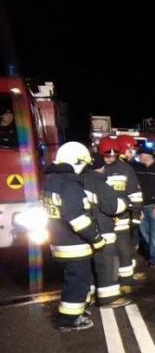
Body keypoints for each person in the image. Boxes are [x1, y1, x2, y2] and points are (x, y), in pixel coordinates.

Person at [42, 142, 106, 331]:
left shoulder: (51, 181)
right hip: (73, 245)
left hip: (58, 241)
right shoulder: (70, 185)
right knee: (78, 282)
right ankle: (69, 320)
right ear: (77, 161)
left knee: (72, 280)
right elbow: (77, 219)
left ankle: (74, 312)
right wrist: (96, 238)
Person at [80, 154, 132, 308]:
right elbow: (112, 207)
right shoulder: (100, 183)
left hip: (86, 230)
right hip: (102, 229)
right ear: (101, 167)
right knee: (107, 264)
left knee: (90, 266)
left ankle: (90, 296)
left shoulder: (79, 181)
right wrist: (125, 202)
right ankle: (108, 298)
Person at [100, 137, 143, 293]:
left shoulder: (126, 169)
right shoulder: (95, 169)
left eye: (113, 155)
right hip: (101, 221)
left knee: (124, 250)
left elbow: (135, 194)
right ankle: (106, 282)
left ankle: (126, 281)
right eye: (107, 155)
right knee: (105, 253)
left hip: (122, 219)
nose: (110, 158)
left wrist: (136, 215)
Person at [116, 135, 142, 252]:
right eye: (131, 150)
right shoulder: (126, 169)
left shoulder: (108, 167)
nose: (133, 153)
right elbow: (134, 195)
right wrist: (136, 213)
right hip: (124, 217)